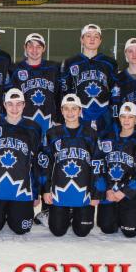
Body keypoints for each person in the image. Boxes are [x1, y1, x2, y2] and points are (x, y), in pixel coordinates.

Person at [5, 32, 61, 226]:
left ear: (44, 49)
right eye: (31, 46)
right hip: (25, 125)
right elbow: (9, 97)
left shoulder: (54, 68)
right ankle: (23, 201)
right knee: (24, 161)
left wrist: (59, 121)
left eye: (38, 46)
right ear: (25, 48)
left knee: (48, 163)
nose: (34, 50)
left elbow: (61, 94)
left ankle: (47, 208)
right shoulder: (16, 69)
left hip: (48, 124)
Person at [0, 89, 42, 235]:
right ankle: (0, 211)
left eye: (18, 104)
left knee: (21, 229)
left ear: (24, 105)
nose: (14, 108)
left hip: (21, 190)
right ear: (4, 105)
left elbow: (36, 163)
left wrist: (36, 193)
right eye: (10, 104)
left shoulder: (33, 128)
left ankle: (12, 211)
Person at [41, 93, 101, 237]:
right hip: (60, 189)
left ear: (80, 111)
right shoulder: (52, 133)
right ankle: (65, 213)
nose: (70, 112)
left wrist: (96, 193)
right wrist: (46, 189)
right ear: (61, 111)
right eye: (66, 108)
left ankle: (76, 212)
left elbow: (98, 165)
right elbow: (45, 164)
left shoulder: (91, 134)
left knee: (82, 232)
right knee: (57, 231)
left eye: (74, 108)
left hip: (84, 191)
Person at [95, 102, 136, 237]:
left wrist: (125, 192)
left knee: (130, 231)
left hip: (129, 193)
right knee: (107, 229)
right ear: (119, 118)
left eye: (131, 117)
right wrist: (106, 189)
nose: (126, 120)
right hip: (109, 192)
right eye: (123, 116)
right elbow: (98, 165)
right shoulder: (106, 138)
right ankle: (115, 214)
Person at [60, 24, 117, 133]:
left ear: (100, 40)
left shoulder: (110, 63)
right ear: (81, 40)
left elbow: (115, 91)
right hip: (79, 114)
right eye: (88, 36)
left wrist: (112, 113)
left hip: (104, 114)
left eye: (96, 36)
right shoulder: (70, 62)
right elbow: (65, 91)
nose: (92, 39)